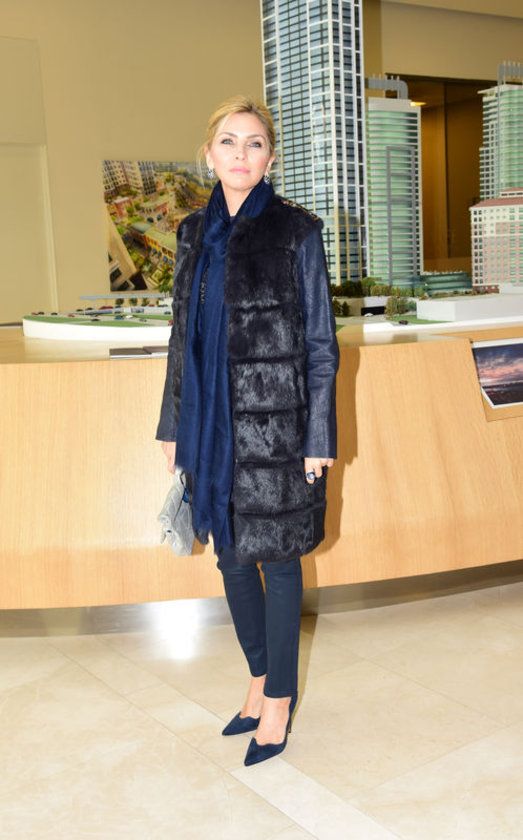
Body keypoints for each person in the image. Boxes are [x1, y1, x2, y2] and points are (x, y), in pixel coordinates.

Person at [157, 95, 338, 766]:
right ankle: (260, 678)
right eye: (228, 142)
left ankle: (280, 699)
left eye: (254, 143)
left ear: (270, 157)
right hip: (209, 427)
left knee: (280, 559)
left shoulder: (297, 232)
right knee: (231, 557)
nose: (240, 153)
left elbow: (321, 345)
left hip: (279, 430)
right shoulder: (189, 234)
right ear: (208, 155)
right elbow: (181, 338)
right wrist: (172, 424)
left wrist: (319, 436)